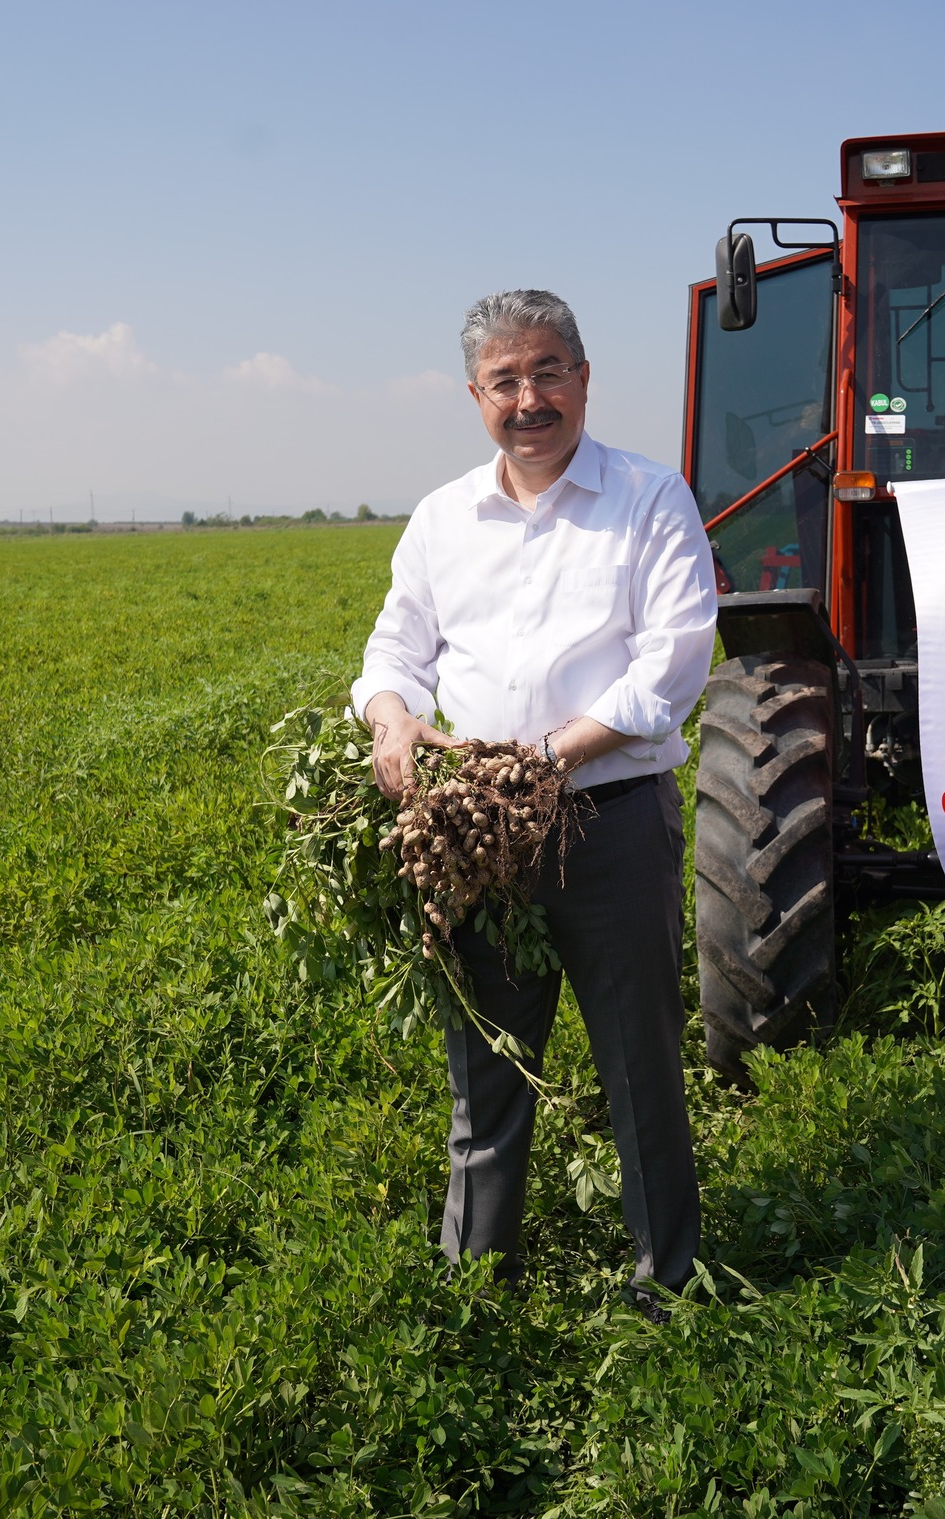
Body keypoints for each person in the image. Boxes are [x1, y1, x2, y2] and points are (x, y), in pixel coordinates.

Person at [349, 289, 717, 1314]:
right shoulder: (440, 519)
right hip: (478, 838)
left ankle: (667, 1281)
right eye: (505, 379)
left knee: (637, 1060)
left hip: (609, 821)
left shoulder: (648, 499)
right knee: (487, 1063)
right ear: (475, 395)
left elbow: (671, 665)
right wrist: (389, 719)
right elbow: (396, 648)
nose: (529, 397)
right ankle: (476, 1287)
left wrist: (545, 760)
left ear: (584, 377)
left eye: (547, 370)